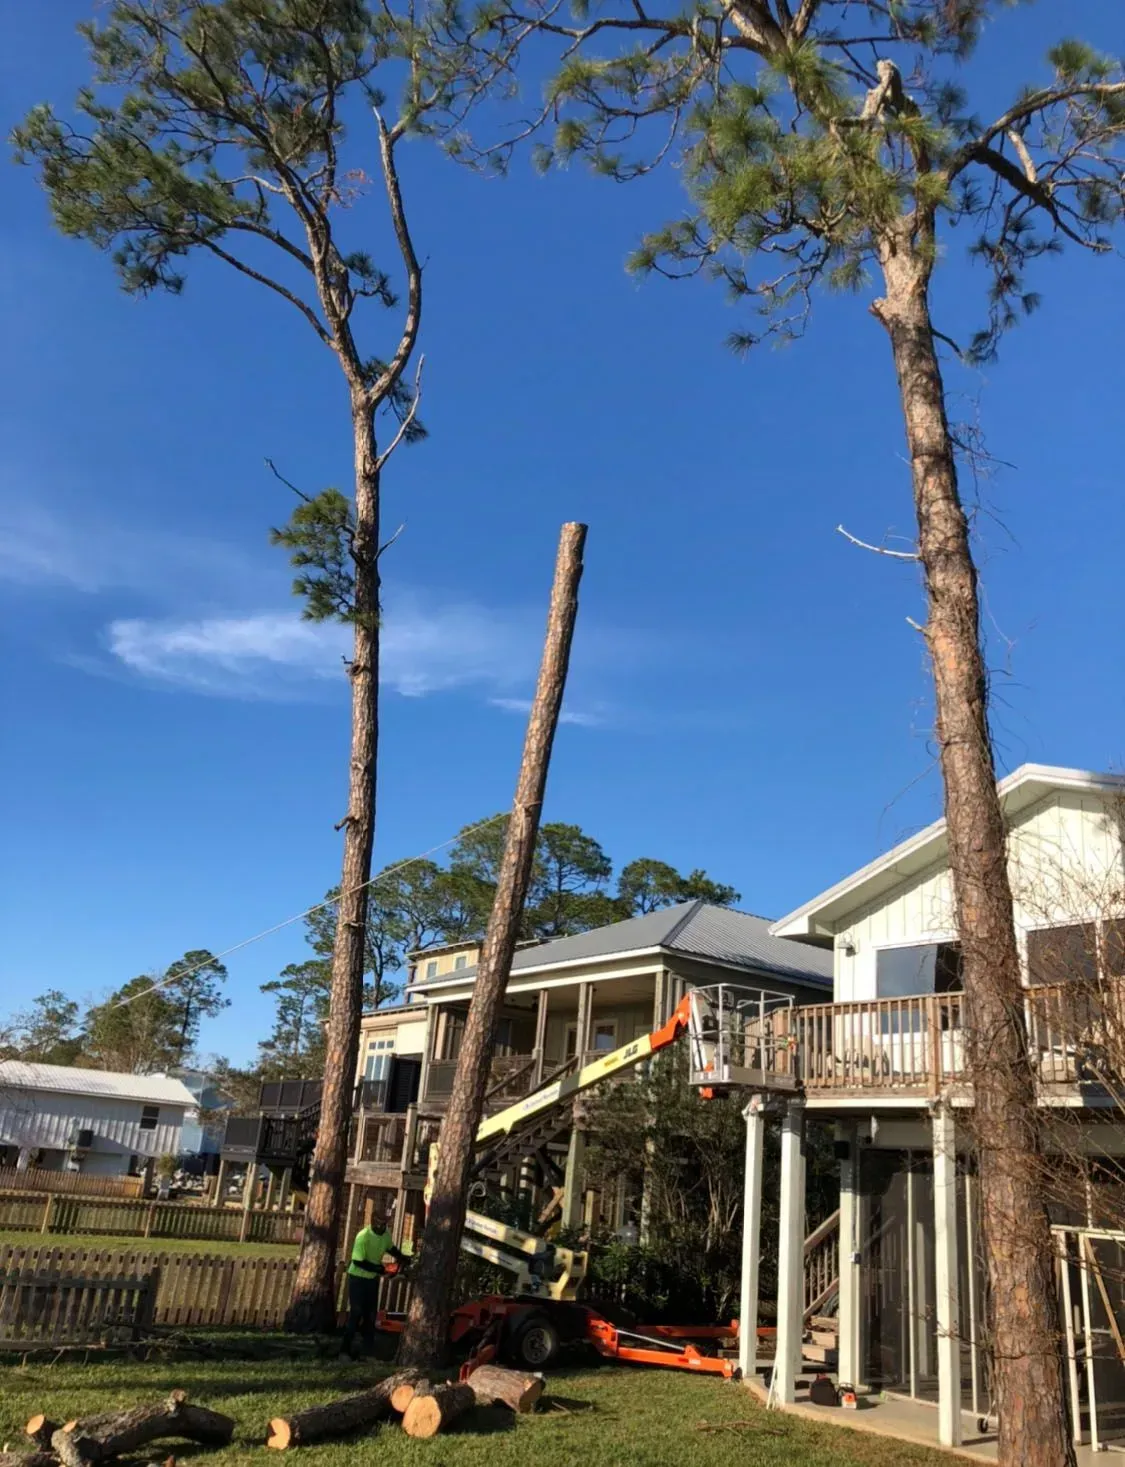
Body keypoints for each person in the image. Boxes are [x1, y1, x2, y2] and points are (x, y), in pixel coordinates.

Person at [342, 1208, 403, 1357]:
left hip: (371, 1280)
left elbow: (391, 1248)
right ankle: (344, 1350)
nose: (382, 1227)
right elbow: (357, 1262)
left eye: (385, 1225)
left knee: (371, 1316)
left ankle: (366, 1352)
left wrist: (403, 1258)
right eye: (380, 1224)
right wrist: (380, 1269)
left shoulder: (385, 1235)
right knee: (356, 1314)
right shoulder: (363, 1236)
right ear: (373, 1222)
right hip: (357, 1279)